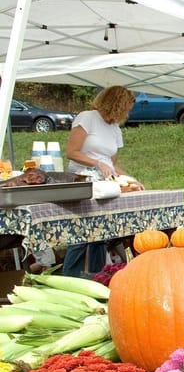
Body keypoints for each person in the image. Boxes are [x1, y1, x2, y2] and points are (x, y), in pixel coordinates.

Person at [63, 85, 136, 277]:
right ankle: (70, 275)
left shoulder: (114, 128)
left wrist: (130, 179)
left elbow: (112, 165)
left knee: (100, 234)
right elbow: (72, 152)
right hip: (83, 181)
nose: (127, 112)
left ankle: (97, 275)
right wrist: (96, 163)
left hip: (104, 185)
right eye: (126, 108)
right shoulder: (87, 118)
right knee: (80, 234)